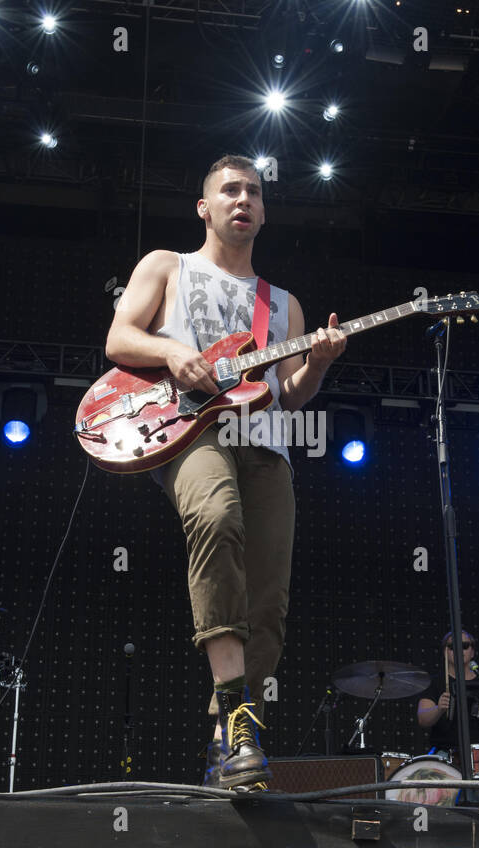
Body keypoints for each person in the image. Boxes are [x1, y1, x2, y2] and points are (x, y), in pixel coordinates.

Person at [104, 154, 346, 789]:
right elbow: (120, 338)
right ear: (204, 208)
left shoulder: (282, 303)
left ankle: (233, 737)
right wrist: (174, 351)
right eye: (230, 190)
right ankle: (236, 713)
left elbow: (290, 395)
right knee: (216, 516)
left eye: (255, 192)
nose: (244, 199)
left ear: (263, 212)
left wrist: (317, 362)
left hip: (265, 443)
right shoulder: (166, 266)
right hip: (189, 431)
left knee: (269, 597)